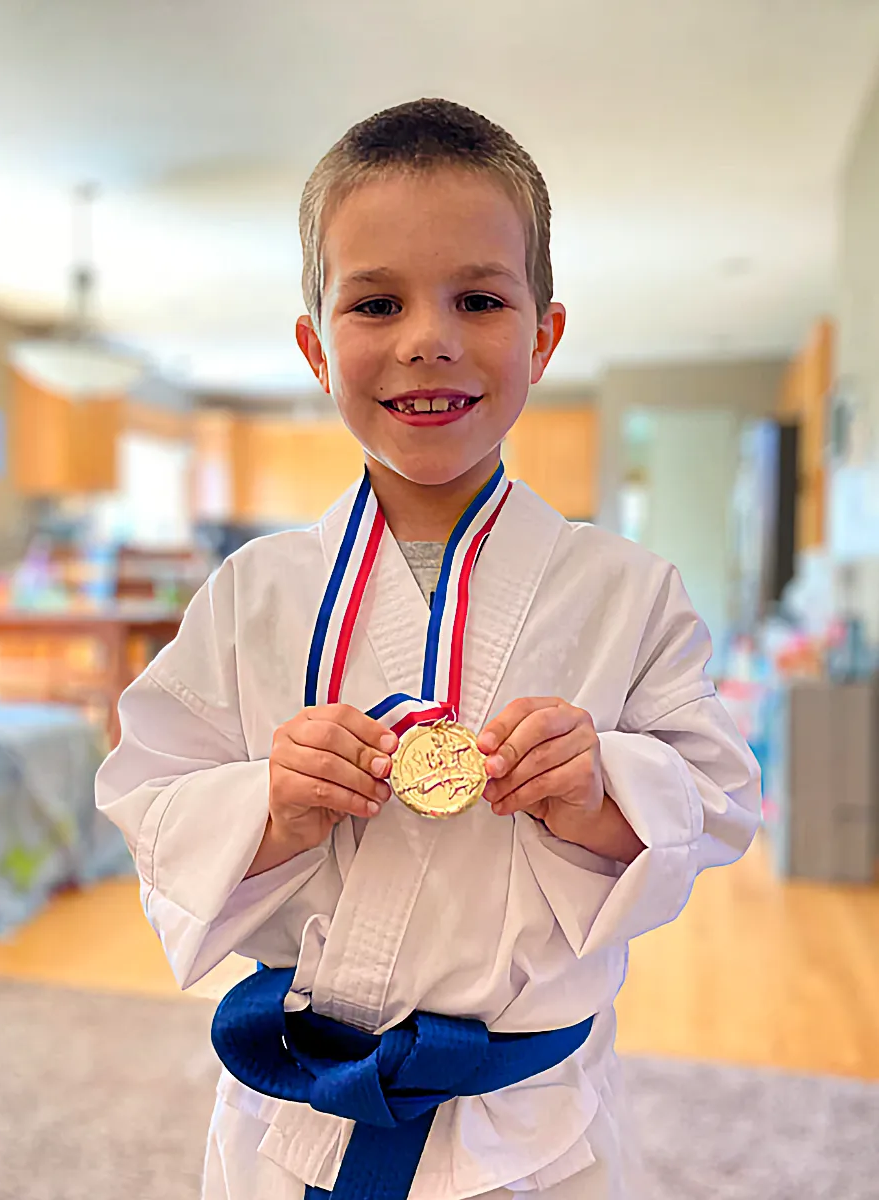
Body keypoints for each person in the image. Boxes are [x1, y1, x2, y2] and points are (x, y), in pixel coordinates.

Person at [96, 98, 761, 1200]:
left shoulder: (629, 592)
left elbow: (722, 796)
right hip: (296, 1117)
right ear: (315, 347)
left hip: (533, 1131)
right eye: (375, 301)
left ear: (543, 336)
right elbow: (149, 796)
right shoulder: (250, 593)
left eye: (479, 298)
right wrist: (273, 802)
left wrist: (599, 788)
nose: (427, 338)